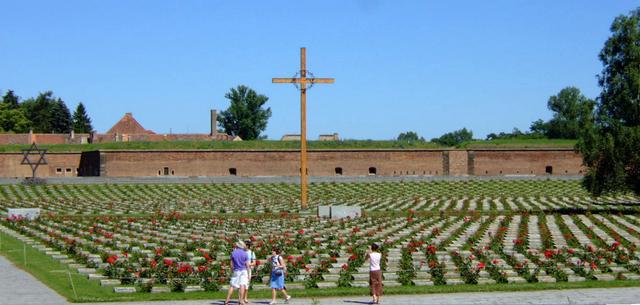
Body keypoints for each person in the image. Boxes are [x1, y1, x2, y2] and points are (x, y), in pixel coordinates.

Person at [225, 240, 250, 305]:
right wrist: (248, 273)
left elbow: (231, 264)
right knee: (242, 285)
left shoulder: (233, 253)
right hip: (244, 270)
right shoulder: (245, 253)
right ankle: (241, 300)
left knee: (232, 285)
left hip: (236, 270)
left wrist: (232, 270)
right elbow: (247, 265)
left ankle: (227, 300)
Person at [242, 240, 257, 304]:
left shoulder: (251, 253)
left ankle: (245, 298)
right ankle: (241, 298)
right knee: (241, 284)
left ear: (247, 246)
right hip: (241, 269)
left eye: (244, 245)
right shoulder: (241, 252)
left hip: (248, 270)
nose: (243, 246)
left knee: (247, 284)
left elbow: (254, 263)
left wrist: (248, 264)